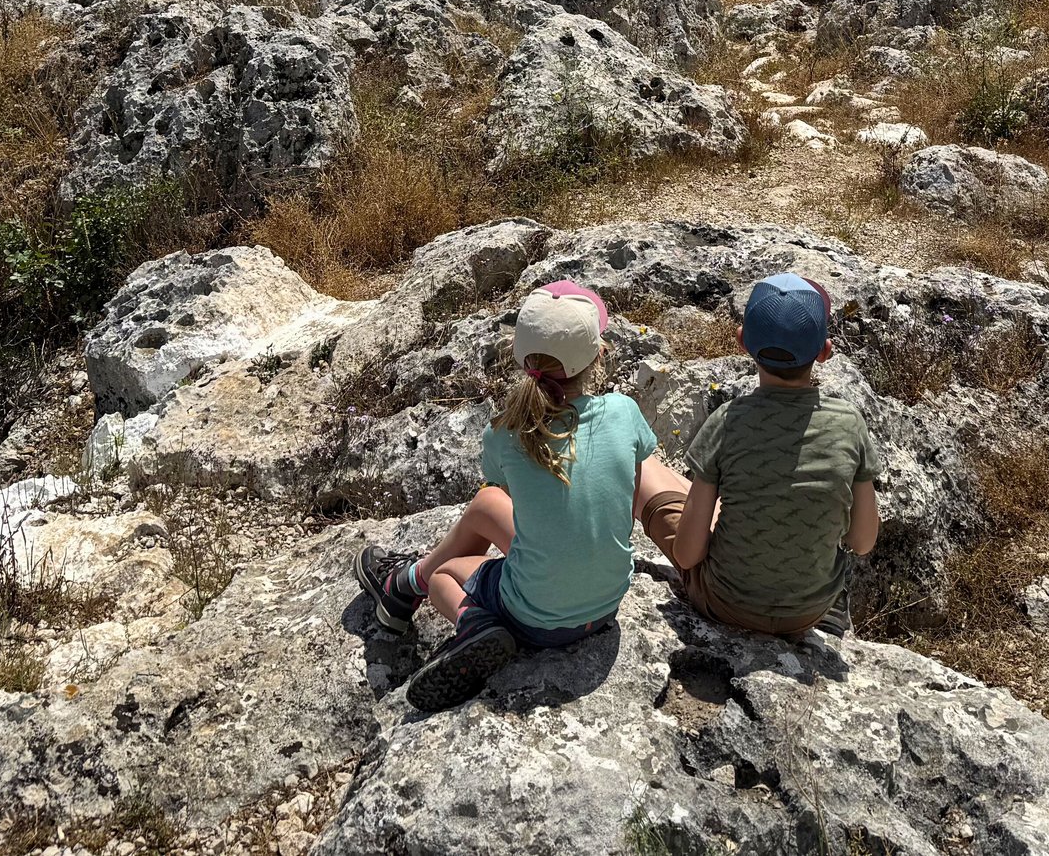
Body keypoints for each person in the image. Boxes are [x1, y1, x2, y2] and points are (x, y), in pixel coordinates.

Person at [352, 279, 685, 712]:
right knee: (487, 505)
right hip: (603, 607)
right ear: (598, 356)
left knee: (444, 576)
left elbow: (511, 491)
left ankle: (462, 618)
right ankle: (401, 587)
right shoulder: (624, 412)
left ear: (520, 357)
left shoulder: (504, 433)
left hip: (536, 618)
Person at [651, 272, 881, 637]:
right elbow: (863, 541)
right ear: (825, 352)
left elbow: (688, 555)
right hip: (810, 611)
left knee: (650, 477)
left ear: (742, 342)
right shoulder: (849, 424)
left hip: (726, 604)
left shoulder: (727, 421)